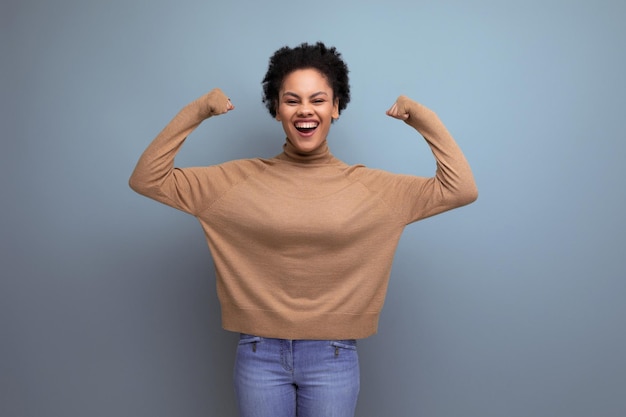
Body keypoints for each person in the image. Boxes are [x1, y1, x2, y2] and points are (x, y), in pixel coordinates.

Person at [129, 41, 477, 417]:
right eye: (291, 100)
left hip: (333, 355)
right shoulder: (235, 182)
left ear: (336, 107)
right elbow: (148, 179)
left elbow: (459, 188)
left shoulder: (372, 189)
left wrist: (420, 117)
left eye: (318, 99)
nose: (305, 110)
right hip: (258, 354)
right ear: (276, 109)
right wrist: (198, 110)